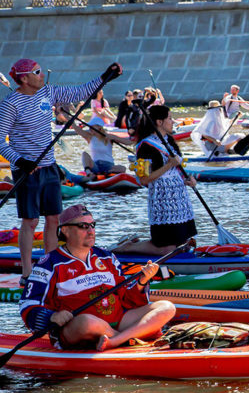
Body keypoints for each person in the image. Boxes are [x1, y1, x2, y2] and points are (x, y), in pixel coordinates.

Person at [0, 58, 116, 280]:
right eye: (37, 72)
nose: (41, 75)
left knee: (54, 218)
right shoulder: (10, 104)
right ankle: (27, 272)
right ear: (24, 78)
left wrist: (104, 77)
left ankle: (50, 268)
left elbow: (80, 92)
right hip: (27, 171)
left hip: (49, 166)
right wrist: (20, 160)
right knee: (30, 221)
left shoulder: (49, 93)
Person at [19, 205, 175, 352]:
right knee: (87, 322)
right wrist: (52, 316)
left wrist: (142, 281)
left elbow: (127, 299)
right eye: (83, 227)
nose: (91, 231)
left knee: (167, 307)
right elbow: (28, 303)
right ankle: (135, 335)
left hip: (118, 320)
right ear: (65, 230)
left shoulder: (107, 257)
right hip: (81, 328)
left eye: (92, 225)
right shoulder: (49, 263)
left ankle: (116, 340)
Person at [120, 105, 197, 257]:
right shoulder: (145, 146)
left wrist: (188, 179)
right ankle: (128, 247)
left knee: (184, 243)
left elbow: (177, 169)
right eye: (169, 118)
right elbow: (143, 179)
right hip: (163, 204)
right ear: (159, 122)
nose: (173, 121)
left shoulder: (169, 141)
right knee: (166, 249)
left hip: (180, 201)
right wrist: (169, 165)